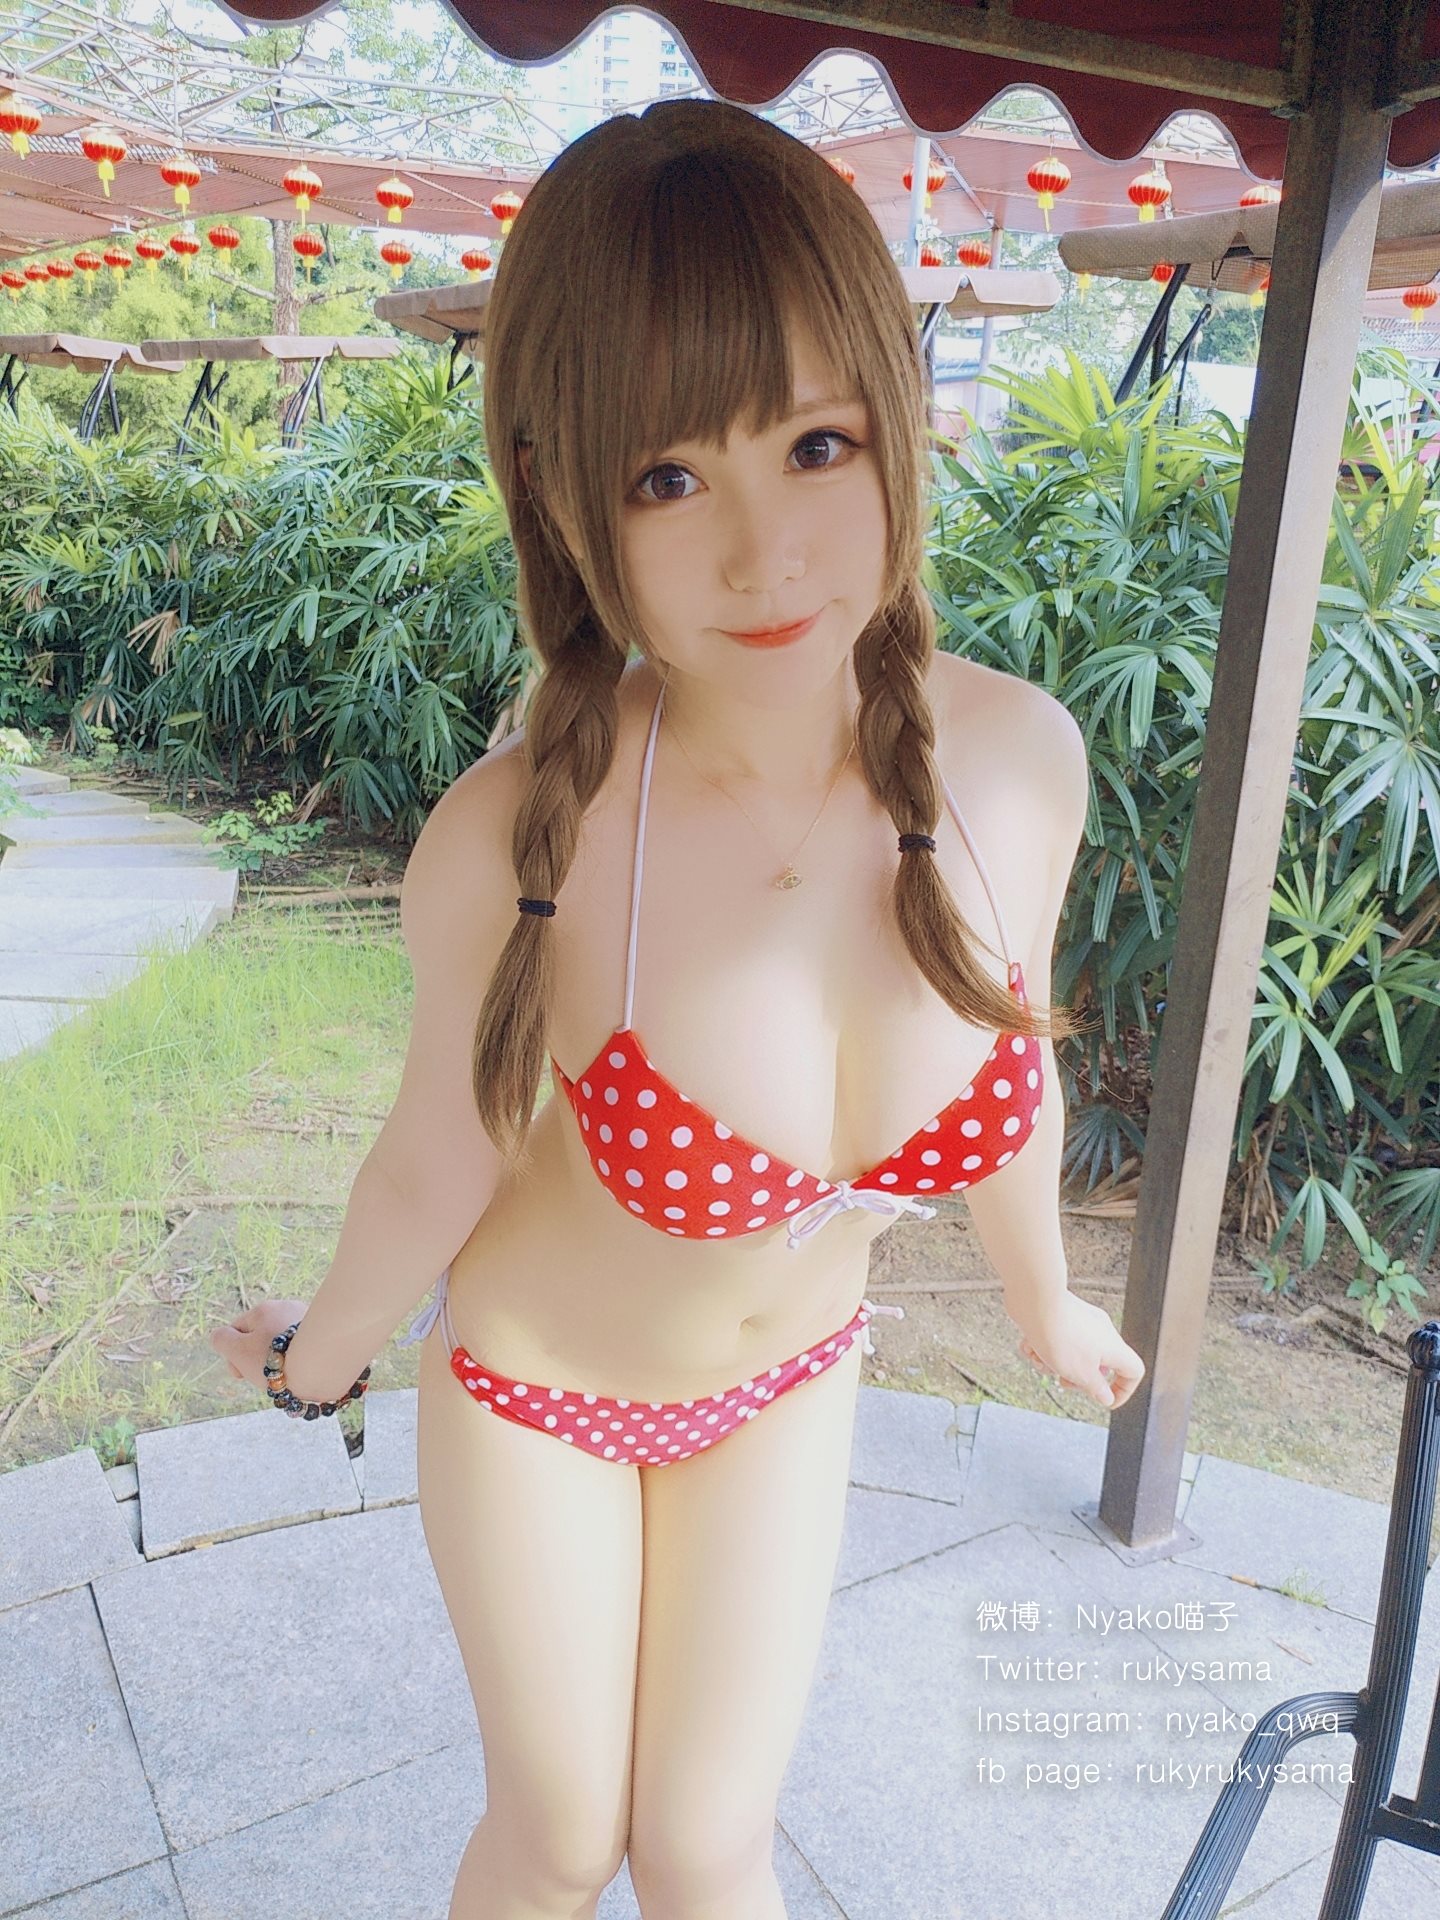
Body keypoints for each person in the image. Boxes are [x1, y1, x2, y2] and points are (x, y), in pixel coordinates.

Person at [211, 97, 1145, 1920]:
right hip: (542, 1398)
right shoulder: (527, 837)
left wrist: (1046, 1301)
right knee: (565, 1840)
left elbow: (1014, 1066)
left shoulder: (1020, 765)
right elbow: (434, 1159)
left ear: (897, 415)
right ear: (563, 497)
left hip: (787, 1385)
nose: (763, 551)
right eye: (666, 478)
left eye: (815, 443)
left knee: (712, 1850)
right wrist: (319, 1358)